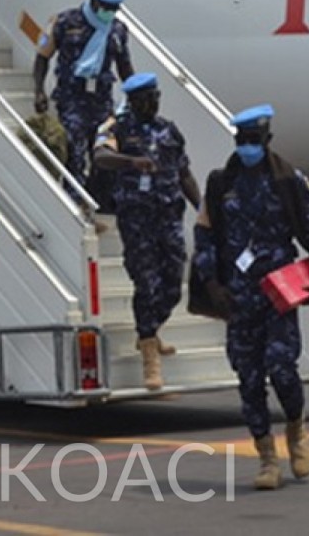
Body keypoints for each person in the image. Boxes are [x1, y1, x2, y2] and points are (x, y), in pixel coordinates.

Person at [191, 105, 309, 490]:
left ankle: (296, 426)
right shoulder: (221, 183)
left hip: (279, 291)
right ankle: (266, 457)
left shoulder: (289, 180)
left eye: (254, 141)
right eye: (241, 141)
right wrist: (211, 285)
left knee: (282, 367)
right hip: (237, 297)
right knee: (249, 378)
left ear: (267, 140)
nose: (247, 147)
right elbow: (205, 236)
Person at [93, 73, 201, 390]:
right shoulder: (117, 128)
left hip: (168, 215)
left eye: (156, 98)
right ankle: (149, 352)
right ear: (134, 101)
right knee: (146, 281)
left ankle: (150, 330)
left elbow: (184, 172)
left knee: (172, 283)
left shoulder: (168, 130)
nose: (153, 104)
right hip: (137, 217)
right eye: (146, 99)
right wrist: (131, 162)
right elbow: (100, 157)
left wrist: (202, 207)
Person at [34, 0, 135, 186]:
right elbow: (42, 57)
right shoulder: (64, 22)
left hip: (102, 103)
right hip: (72, 100)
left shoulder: (117, 30)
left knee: (104, 157)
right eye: (108, 7)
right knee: (74, 155)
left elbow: (125, 66)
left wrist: (135, 96)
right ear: (95, 1)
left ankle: (98, 201)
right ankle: (74, 201)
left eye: (115, 8)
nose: (111, 12)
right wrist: (39, 90)